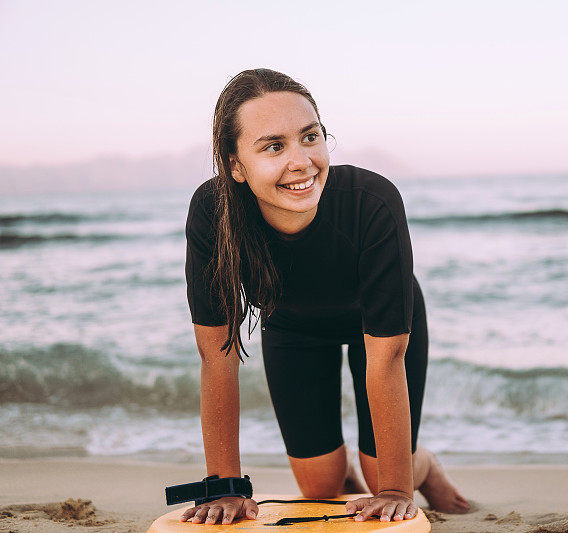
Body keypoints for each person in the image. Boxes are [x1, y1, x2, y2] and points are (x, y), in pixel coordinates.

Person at [179, 69, 470, 526]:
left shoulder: (371, 202)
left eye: (310, 137)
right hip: (292, 327)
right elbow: (217, 355)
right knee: (319, 485)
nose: (302, 161)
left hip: (377, 327)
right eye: (274, 146)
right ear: (235, 165)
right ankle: (359, 495)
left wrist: (394, 490)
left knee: (385, 475)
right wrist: (226, 488)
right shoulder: (213, 216)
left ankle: (421, 467)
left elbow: (386, 357)